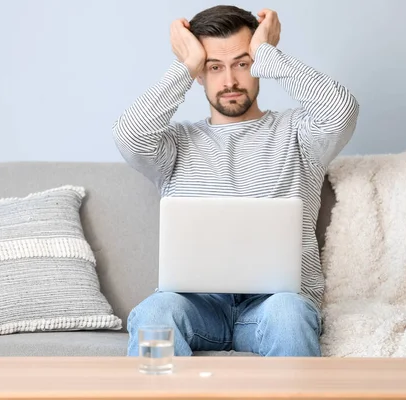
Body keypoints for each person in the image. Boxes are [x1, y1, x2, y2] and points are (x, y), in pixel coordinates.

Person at [112, 5, 359, 357]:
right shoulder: (174, 146)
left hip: (273, 307)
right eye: (214, 67)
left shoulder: (298, 134)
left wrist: (267, 54)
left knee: (288, 314)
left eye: (242, 64)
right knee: (155, 313)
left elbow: (341, 110)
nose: (229, 81)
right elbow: (129, 135)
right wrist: (186, 64)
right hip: (196, 308)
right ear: (200, 73)